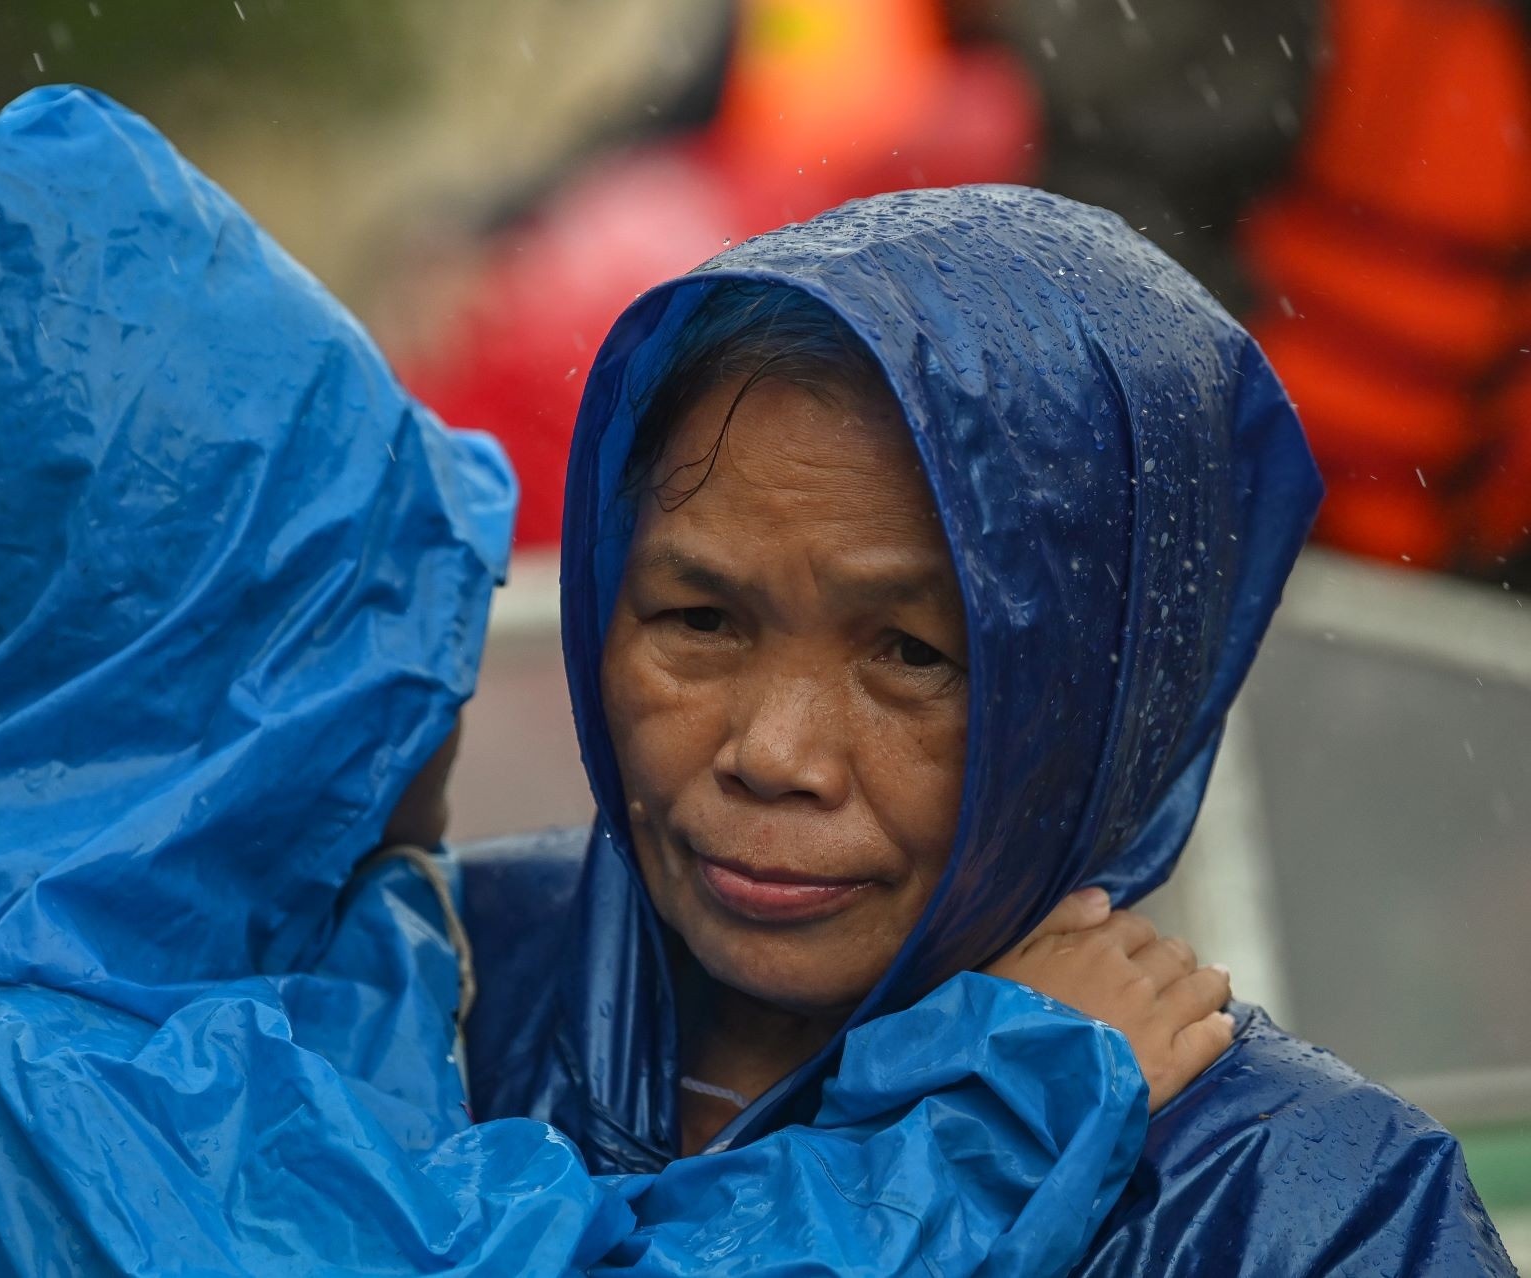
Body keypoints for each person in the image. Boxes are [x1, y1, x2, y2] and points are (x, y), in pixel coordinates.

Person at [0, 89, 1237, 1276]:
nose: (447, 688)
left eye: (908, 649)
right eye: (389, 631)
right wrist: (1018, 1092)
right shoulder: (24, 1099)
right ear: (241, 709)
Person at [459, 185, 1518, 1273]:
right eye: (699, 620)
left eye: (913, 654)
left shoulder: (1300, 1214)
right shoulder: (409, 998)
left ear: (1100, 693)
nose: (774, 755)